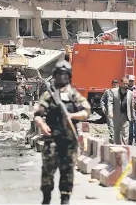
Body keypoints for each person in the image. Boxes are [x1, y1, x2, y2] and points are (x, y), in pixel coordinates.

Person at [33, 60, 91, 204]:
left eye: (64, 74)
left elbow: (86, 111)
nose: (62, 77)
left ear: (69, 76)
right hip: (51, 139)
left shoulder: (74, 95)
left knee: (68, 172)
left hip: (69, 140)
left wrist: (72, 116)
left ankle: (65, 199)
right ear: (55, 75)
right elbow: (38, 114)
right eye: (59, 74)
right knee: (47, 171)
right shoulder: (49, 95)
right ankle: (46, 199)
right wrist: (42, 125)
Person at [107, 77, 133, 145]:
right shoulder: (113, 91)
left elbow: (131, 106)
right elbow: (110, 103)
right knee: (117, 133)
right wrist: (110, 112)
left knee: (125, 133)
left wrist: (133, 116)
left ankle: (124, 148)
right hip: (117, 115)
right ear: (121, 83)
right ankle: (117, 148)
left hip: (125, 115)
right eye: (124, 84)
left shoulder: (130, 93)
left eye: (127, 84)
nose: (126, 85)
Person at [100, 79, 119, 143]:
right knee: (111, 124)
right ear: (112, 84)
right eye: (114, 84)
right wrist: (103, 107)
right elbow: (102, 100)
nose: (115, 85)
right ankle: (112, 137)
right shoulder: (108, 91)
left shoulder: (121, 92)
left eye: (116, 84)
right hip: (110, 111)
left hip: (118, 111)